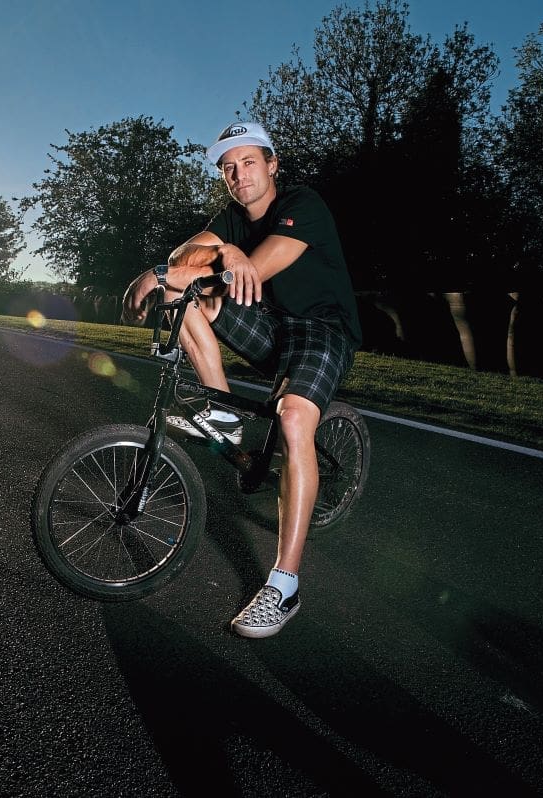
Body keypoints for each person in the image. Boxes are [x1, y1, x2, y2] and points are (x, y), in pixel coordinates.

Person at [122, 121, 363, 638]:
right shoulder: (231, 218)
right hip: (272, 327)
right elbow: (182, 260)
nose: (238, 174)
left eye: (249, 162)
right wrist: (212, 254)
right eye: (228, 167)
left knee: (294, 417)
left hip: (323, 331)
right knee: (181, 296)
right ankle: (224, 414)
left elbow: (252, 270)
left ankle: (285, 585)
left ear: (273, 165)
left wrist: (207, 264)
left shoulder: (305, 203)